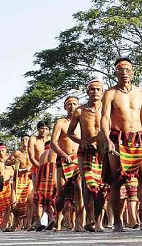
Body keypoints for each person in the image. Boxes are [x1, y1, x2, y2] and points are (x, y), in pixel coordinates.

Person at [101, 58, 142, 232]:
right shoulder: (110, 93)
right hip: (117, 138)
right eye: (120, 69)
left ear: (133, 72)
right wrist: (108, 140)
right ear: (115, 73)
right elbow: (104, 118)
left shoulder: (140, 93)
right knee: (116, 180)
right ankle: (117, 221)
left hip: (137, 138)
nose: (124, 72)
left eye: (128, 69)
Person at [68, 80, 107, 232]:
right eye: (92, 89)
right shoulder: (79, 111)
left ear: (102, 92)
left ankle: (99, 222)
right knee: (88, 185)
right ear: (87, 92)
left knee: (103, 186)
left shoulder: (107, 108)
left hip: (103, 149)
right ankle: (90, 219)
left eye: (98, 89)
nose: (95, 91)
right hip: (86, 150)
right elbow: (70, 132)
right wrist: (82, 141)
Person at [50, 96, 83, 232]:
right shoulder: (61, 122)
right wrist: (63, 155)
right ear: (65, 107)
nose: (72, 106)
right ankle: (58, 220)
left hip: (79, 159)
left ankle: (80, 223)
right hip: (63, 160)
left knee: (80, 190)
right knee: (61, 192)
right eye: (69, 104)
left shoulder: (82, 121)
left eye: (75, 103)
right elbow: (53, 142)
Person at [27, 121, 51, 230]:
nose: (44, 131)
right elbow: (31, 157)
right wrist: (40, 168)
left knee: (50, 194)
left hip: (51, 169)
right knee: (38, 194)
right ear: (38, 129)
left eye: (46, 129)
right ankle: (37, 220)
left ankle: (51, 218)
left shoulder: (52, 139)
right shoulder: (33, 139)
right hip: (37, 169)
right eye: (42, 128)